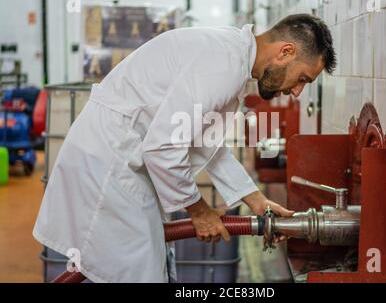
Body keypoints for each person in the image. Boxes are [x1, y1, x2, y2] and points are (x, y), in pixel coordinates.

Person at [33, 14, 336, 283]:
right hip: (109, 169)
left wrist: (256, 201)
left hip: (119, 165)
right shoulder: (224, 64)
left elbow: (201, 142)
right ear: (286, 52)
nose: (297, 91)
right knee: (139, 273)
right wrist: (200, 211)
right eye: (302, 79)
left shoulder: (232, 57)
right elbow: (163, 148)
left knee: (146, 267)